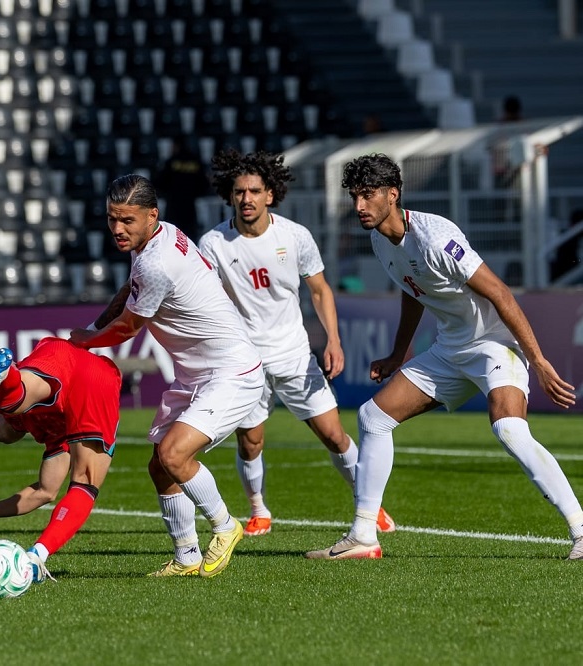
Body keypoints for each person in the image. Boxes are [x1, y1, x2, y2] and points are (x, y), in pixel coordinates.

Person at [306, 153, 583, 560]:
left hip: (495, 345)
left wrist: (536, 359)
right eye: (354, 197)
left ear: (392, 194)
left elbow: (500, 293)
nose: (359, 206)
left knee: (508, 429)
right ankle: (364, 535)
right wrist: (398, 352)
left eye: (367, 196)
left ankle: (580, 528)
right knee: (373, 417)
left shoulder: (436, 237)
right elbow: (412, 288)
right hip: (450, 348)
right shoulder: (379, 239)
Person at [69, 174, 265, 578]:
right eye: (111, 219)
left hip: (232, 371)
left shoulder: (157, 262)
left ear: (151, 215)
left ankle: (226, 527)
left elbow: (128, 328)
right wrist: (93, 325)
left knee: (175, 454)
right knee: (160, 466)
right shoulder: (158, 239)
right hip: (199, 374)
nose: (118, 230)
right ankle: (187, 557)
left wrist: (86, 341)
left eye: (127, 221)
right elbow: (129, 292)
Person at [199, 149, 395, 537]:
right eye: (239, 192)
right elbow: (207, 300)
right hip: (244, 360)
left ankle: (367, 504)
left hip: (292, 354)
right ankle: (258, 509)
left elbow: (320, 291)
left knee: (334, 434)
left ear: (270, 194)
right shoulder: (214, 243)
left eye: (255, 191)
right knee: (251, 441)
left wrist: (333, 341)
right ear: (230, 196)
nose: (247, 199)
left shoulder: (294, 236)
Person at [0, 337, 121, 582]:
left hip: (62, 362)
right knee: (83, 485)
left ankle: (8, 376)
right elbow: (43, 493)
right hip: (87, 384)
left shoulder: (1, 404)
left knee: (11, 396)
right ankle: (36, 557)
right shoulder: (48, 430)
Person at [152, 138, 212, 241]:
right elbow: (204, 185)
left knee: (172, 237)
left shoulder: (171, 162)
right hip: (190, 207)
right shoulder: (196, 162)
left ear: (176, 146)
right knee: (189, 239)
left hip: (173, 206)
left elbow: (159, 183)